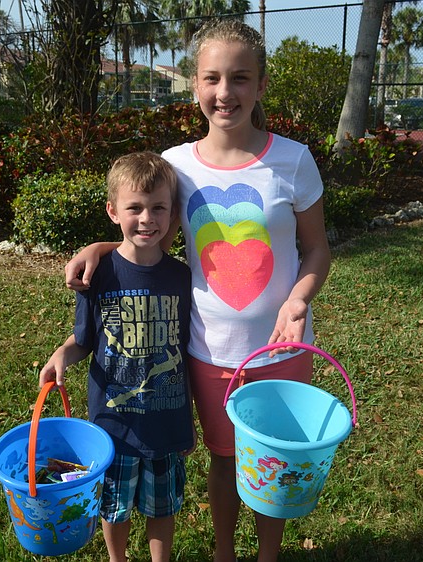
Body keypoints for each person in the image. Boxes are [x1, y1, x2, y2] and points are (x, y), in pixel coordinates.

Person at [65, 19, 332, 562]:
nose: (225, 92)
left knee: (272, 463)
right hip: (208, 350)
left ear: (260, 85)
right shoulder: (177, 164)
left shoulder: (294, 160)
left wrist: (298, 298)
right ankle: (224, 553)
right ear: (194, 85)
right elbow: (147, 224)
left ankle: (268, 557)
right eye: (212, 78)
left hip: (282, 349)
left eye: (240, 78)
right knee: (225, 457)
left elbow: (317, 249)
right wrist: (99, 247)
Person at [39, 152, 195, 562]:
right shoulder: (98, 274)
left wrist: (186, 424)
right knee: (115, 504)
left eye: (159, 207)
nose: (147, 219)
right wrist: (61, 356)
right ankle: (117, 558)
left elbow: (190, 349)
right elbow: (83, 340)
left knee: (163, 507)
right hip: (114, 423)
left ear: (172, 212)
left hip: (166, 416)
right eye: (135, 208)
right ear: (113, 211)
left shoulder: (182, 277)